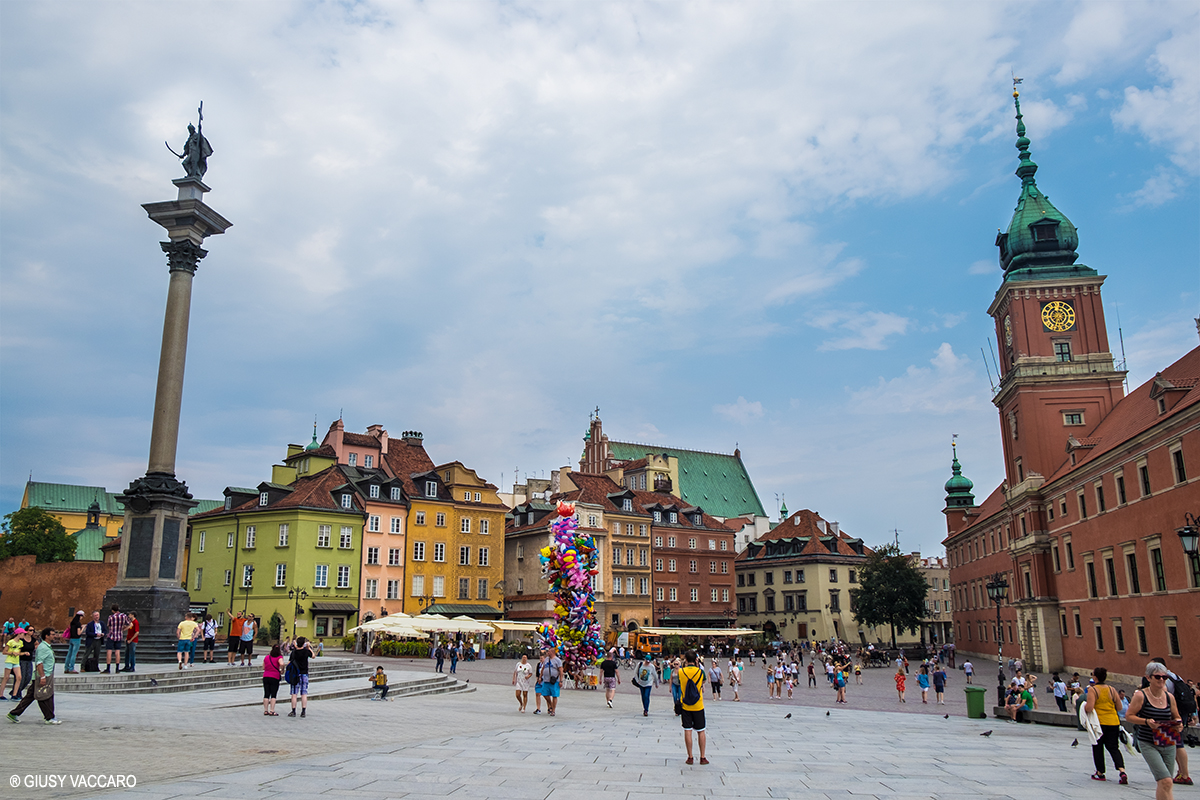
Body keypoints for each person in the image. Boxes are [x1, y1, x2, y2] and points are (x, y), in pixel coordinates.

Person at [1127, 661, 1184, 800]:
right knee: (1165, 780)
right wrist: (1146, 721)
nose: (1161, 680)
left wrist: (1179, 724)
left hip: (1168, 740)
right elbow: (1129, 716)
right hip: (1148, 742)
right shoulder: (1141, 695)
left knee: (1166, 783)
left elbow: (1176, 716)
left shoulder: (1169, 697)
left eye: (1164, 677)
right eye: (1157, 677)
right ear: (1148, 678)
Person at [1141, 658, 1193, 786]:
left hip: (1170, 716)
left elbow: (1163, 696)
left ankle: (1184, 774)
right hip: (1181, 713)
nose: (1161, 679)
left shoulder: (1165, 680)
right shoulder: (1175, 676)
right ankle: (1183, 773)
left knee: (1177, 744)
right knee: (1178, 743)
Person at [5, 628, 60, 725]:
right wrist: (42, 677)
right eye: (52, 634)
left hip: (46, 674)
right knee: (44, 696)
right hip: (43, 675)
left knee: (32, 696)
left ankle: (14, 713)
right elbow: (39, 663)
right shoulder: (43, 647)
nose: (54, 636)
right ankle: (49, 717)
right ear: (46, 636)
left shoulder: (46, 647)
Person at [1084, 667, 1128, 784]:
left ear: (1095, 677)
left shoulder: (1093, 690)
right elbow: (1119, 707)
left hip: (1099, 723)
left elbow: (1089, 708)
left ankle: (1100, 772)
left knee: (1098, 747)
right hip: (1113, 722)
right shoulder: (1112, 689)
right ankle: (1122, 771)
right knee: (1113, 747)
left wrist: (1084, 707)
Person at [678, 650, 708, 765]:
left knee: (687, 730)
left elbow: (679, 682)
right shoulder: (700, 672)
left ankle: (690, 757)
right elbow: (703, 682)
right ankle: (702, 757)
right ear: (696, 659)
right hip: (698, 705)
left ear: (685, 659)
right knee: (701, 731)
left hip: (685, 705)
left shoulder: (681, 672)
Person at [288, 637, 314, 717]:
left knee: (294, 693)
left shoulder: (294, 652)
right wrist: (309, 648)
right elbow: (313, 656)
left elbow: (289, 662)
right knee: (304, 693)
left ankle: (293, 711)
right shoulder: (306, 651)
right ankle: (303, 711)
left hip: (295, 674)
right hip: (304, 674)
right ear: (304, 643)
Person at [103, 605, 129, 674]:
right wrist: (123, 629)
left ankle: (108, 668)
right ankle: (117, 668)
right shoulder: (123, 616)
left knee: (109, 651)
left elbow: (109, 625)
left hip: (111, 635)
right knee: (117, 652)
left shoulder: (111, 617)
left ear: (112, 610)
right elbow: (130, 624)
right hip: (119, 636)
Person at [262, 644, 284, 715]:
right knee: (273, 694)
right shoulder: (279, 657)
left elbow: (263, 667)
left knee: (266, 693)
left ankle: (265, 710)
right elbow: (282, 663)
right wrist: (281, 670)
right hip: (275, 677)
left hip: (266, 676)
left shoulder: (267, 657)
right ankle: (272, 710)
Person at [3, 627, 22, 699]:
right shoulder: (11, 642)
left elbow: (19, 651)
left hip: (16, 661)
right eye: (22, 634)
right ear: (19, 634)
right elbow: (4, 652)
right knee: (6, 677)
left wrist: (21, 653)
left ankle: (14, 694)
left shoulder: (21, 642)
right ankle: (1, 694)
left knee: (19, 677)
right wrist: (11, 653)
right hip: (10, 660)